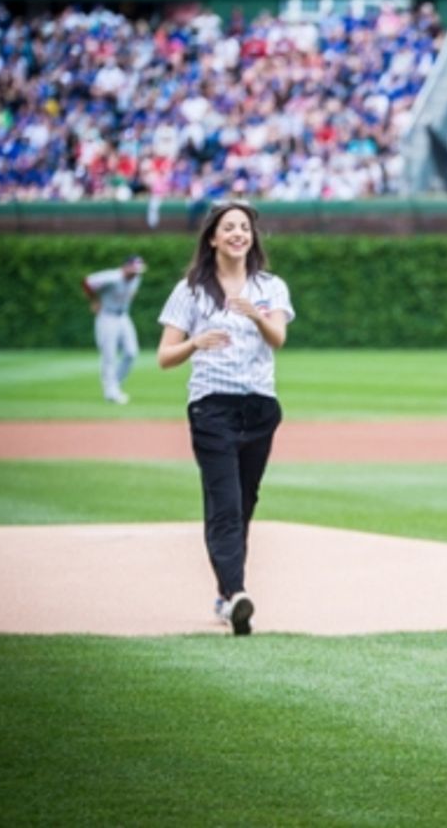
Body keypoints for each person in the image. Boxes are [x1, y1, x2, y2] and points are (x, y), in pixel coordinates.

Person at [156, 201, 294, 636]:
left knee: (245, 503)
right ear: (212, 238)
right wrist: (195, 342)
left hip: (259, 407)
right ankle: (236, 594)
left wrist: (255, 313)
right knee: (226, 506)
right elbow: (164, 357)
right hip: (212, 407)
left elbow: (279, 339)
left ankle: (225, 595)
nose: (238, 234)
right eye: (229, 227)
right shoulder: (191, 291)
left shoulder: (270, 287)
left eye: (245, 227)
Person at [82, 255, 147, 404]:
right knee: (109, 355)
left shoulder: (136, 279)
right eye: (134, 269)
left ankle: (114, 385)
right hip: (107, 316)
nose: (136, 273)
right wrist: (94, 300)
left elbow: (129, 294)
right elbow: (87, 282)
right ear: (125, 266)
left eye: (138, 270)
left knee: (131, 352)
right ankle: (111, 392)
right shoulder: (112, 277)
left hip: (123, 316)